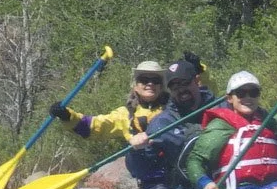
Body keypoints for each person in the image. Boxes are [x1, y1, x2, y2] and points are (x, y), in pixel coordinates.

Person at [185, 69, 277, 189]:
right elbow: (195, 160)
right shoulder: (220, 126)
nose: (248, 97)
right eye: (241, 93)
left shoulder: (266, 123)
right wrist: (205, 184)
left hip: (271, 186)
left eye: (253, 92)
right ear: (229, 98)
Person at [124, 59, 213, 189]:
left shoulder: (221, 108)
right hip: (179, 186)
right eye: (174, 86)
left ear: (197, 81)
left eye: (185, 83)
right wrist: (136, 151)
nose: (181, 90)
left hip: (221, 178)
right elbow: (139, 170)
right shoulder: (162, 123)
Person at [50, 58, 181, 143]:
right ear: (135, 86)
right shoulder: (126, 115)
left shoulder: (175, 106)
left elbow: (197, 92)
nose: (150, 84)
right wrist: (67, 116)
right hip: (150, 170)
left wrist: (199, 70)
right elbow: (95, 126)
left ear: (161, 86)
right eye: (144, 80)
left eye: (156, 80)